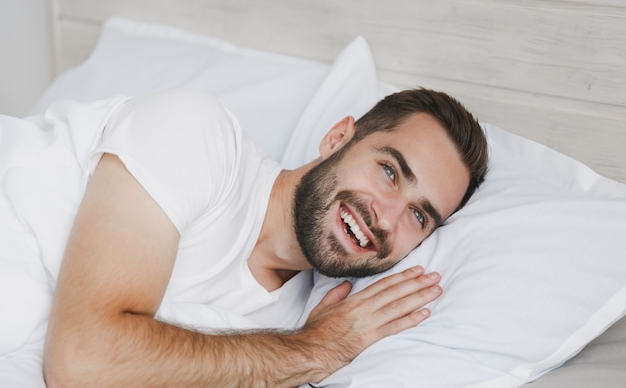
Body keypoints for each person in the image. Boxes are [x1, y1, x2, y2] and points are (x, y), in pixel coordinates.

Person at [35, 87, 488, 388]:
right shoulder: (198, 134)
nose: (386, 220)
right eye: (389, 171)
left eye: (418, 215)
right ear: (337, 138)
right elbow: (81, 359)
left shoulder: (303, 321)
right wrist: (311, 351)